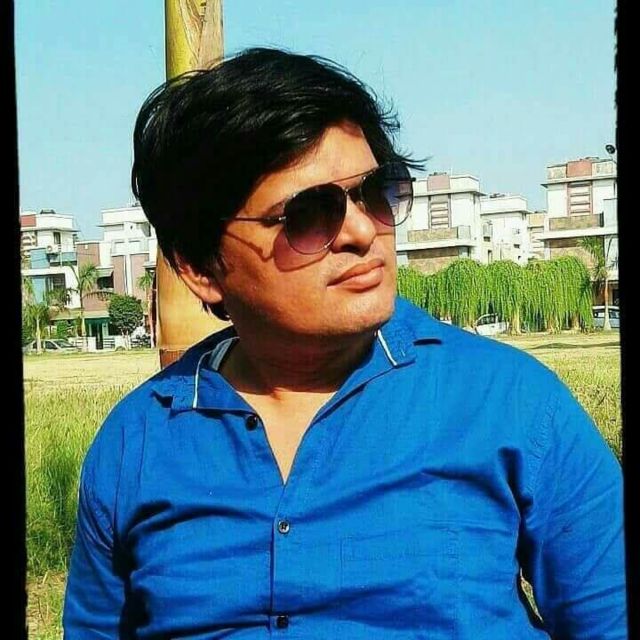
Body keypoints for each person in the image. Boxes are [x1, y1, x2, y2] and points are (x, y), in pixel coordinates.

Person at [63, 47, 627, 639]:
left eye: (376, 192)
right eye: (309, 213)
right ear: (200, 267)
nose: (362, 231)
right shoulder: (137, 443)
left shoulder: (508, 404)